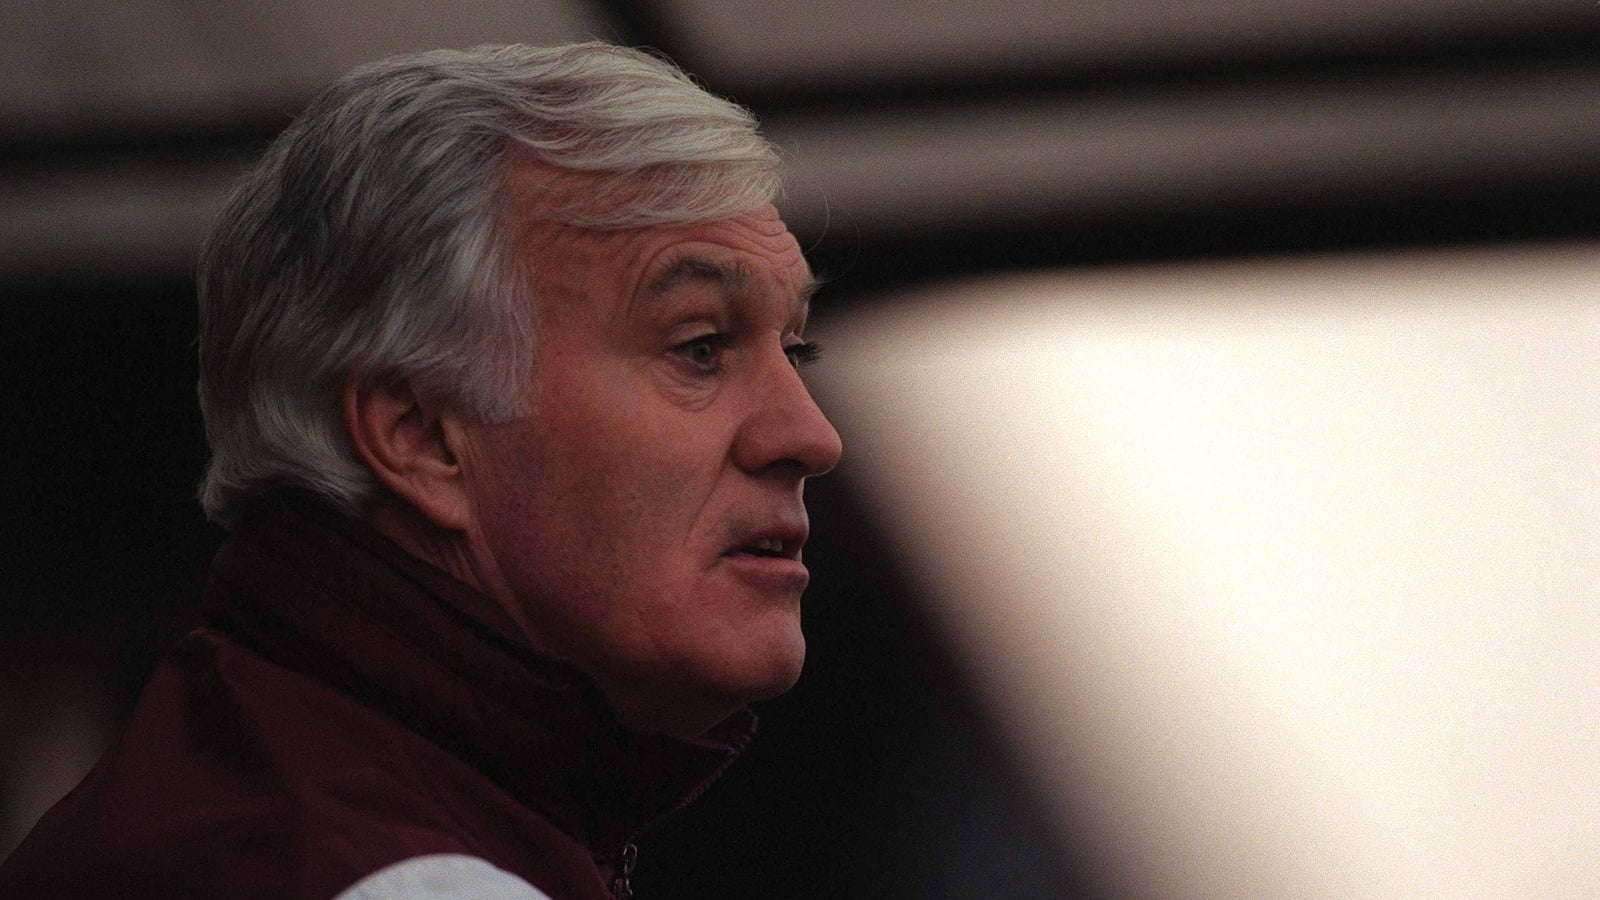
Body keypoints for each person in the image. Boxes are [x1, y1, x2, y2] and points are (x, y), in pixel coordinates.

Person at [0, 42, 841, 900]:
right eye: (699, 347)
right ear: (420, 437)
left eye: (796, 349)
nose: (812, 436)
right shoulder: (391, 874)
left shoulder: (229, 788)